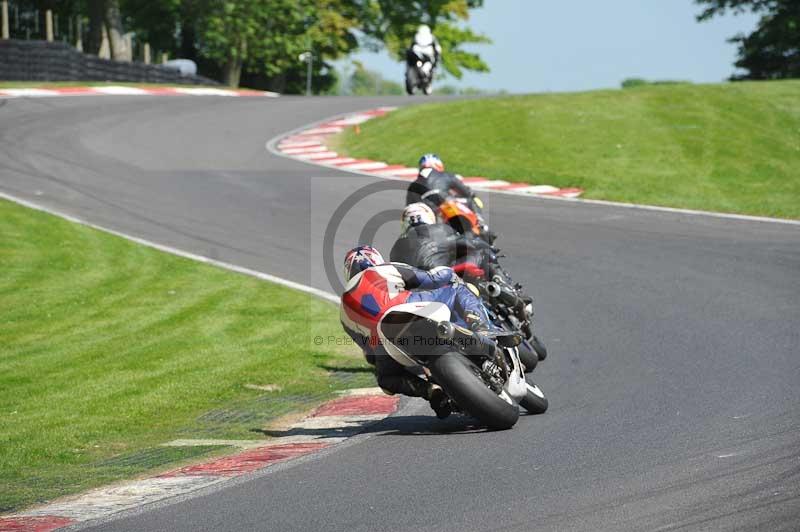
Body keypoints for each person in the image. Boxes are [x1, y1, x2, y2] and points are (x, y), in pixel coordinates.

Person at [339, 245, 494, 418]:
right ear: (375, 259)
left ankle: (431, 391)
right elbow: (431, 279)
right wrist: (448, 272)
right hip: (406, 306)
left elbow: (369, 352)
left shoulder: (343, 311)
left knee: (386, 381)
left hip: (384, 340)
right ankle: (481, 328)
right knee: (457, 289)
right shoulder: (385, 268)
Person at [389, 202, 490, 278]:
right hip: (443, 278)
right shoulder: (441, 229)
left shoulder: (396, 246)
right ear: (428, 216)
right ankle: (499, 282)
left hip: (415, 291)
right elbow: (468, 243)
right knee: (481, 251)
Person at [406, 154, 475, 208]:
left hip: (426, 211)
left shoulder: (413, 185)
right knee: (473, 201)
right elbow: (467, 192)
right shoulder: (447, 175)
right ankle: (480, 223)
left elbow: (409, 207)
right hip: (446, 204)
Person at [406, 25, 442, 94]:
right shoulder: (416, 37)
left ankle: (428, 81)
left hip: (427, 58)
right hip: (417, 56)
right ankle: (413, 81)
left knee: (431, 67)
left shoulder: (432, 38)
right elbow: (410, 47)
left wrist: (437, 54)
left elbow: (437, 48)